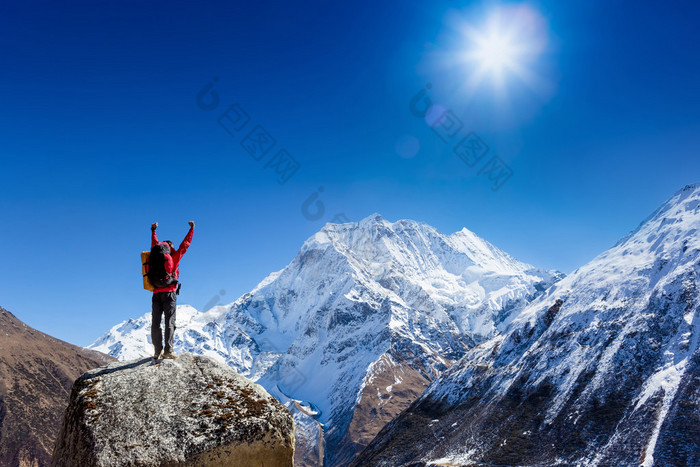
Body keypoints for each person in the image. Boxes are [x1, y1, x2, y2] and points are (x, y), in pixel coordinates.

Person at [150, 221, 194, 359]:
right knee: (169, 321)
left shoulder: (154, 252)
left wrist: (153, 230)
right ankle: (168, 351)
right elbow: (185, 245)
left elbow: (154, 241)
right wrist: (192, 229)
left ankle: (157, 351)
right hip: (169, 293)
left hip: (156, 293)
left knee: (155, 323)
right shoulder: (174, 256)